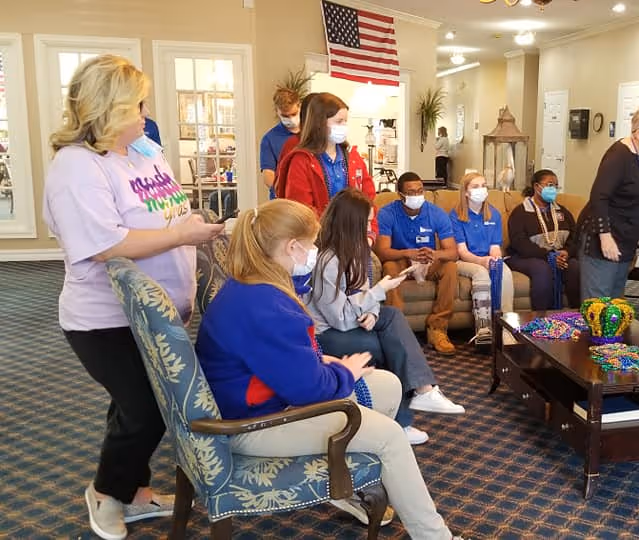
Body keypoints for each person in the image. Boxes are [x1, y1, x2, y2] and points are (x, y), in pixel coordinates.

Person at [195, 199, 465, 540]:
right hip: (254, 423)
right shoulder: (265, 304)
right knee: (391, 437)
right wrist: (344, 372)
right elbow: (309, 390)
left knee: (388, 385)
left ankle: (345, 480)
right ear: (292, 247)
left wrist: (327, 363)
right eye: (311, 244)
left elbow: (278, 359)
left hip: (260, 400)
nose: (314, 252)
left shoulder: (255, 286)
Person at [42, 54, 224, 540]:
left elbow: (165, 210)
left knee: (133, 406)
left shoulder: (141, 148)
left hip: (157, 314)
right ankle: (106, 492)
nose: (146, 113)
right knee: (146, 407)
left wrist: (191, 227)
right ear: (109, 109)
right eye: (137, 105)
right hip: (104, 319)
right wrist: (182, 236)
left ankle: (137, 492)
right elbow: (107, 245)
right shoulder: (76, 168)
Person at [307, 189, 465, 446]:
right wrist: (378, 292)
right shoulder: (328, 260)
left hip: (351, 320)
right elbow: (339, 319)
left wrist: (372, 311)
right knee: (390, 345)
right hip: (329, 333)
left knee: (391, 316)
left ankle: (420, 395)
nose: (371, 229)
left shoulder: (357, 252)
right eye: (367, 223)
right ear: (352, 223)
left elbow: (364, 296)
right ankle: (405, 416)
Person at [578, 103, 639, 300]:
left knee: (615, 300)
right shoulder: (618, 156)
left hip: (626, 236)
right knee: (598, 302)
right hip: (603, 237)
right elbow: (599, 197)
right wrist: (605, 236)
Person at [275, 92, 378, 244]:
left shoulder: (353, 158)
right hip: (317, 242)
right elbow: (301, 211)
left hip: (356, 241)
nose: (344, 127)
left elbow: (369, 201)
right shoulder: (301, 161)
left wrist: (369, 236)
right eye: (339, 121)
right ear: (320, 123)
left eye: (345, 121)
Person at [374, 172, 459, 355]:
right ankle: (396, 330)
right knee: (389, 267)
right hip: (401, 261)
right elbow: (381, 251)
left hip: (428, 261)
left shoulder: (436, 213)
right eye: (411, 192)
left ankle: (438, 329)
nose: (417, 195)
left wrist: (435, 254)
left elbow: (453, 252)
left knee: (450, 267)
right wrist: (407, 252)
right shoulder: (387, 213)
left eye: (420, 191)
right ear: (400, 195)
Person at [449, 172, 515, 344]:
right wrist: (482, 262)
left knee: (505, 273)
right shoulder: (456, 215)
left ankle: (507, 328)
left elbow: (495, 246)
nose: (481, 189)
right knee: (481, 273)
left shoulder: (494, 214)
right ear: (466, 192)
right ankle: (483, 329)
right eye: (476, 186)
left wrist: (495, 259)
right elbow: (462, 251)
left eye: (484, 185)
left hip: (487, 258)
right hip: (464, 261)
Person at [506, 169, 581, 310]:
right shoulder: (520, 212)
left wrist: (567, 252)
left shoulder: (563, 212)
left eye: (556, 186)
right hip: (527, 257)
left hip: (559, 255)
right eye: (550, 185)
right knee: (542, 269)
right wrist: (548, 256)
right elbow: (519, 243)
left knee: (575, 267)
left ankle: (576, 313)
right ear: (536, 186)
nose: (553, 189)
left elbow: (575, 237)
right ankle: (541, 317)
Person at [259, 87, 301, 199]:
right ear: (277, 111)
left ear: (299, 106)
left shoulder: (311, 133)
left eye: (294, 114)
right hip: (282, 199)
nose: (291, 119)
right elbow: (268, 175)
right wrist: (283, 192)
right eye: (285, 116)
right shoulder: (269, 139)